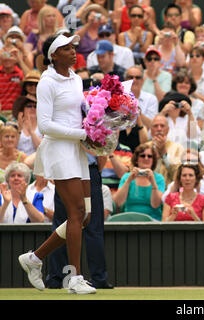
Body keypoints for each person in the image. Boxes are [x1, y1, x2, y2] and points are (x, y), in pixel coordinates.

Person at [18, 34, 97, 294]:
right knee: (75, 213)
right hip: (59, 150)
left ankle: (34, 259)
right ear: (53, 55)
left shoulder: (76, 78)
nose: (73, 51)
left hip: (77, 150)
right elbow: (45, 125)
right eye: (65, 48)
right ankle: (74, 279)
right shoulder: (46, 81)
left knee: (84, 216)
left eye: (73, 47)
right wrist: (82, 134)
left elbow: (80, 112)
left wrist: (99, 121)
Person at [45, 153, 113, 290]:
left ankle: (55, 278)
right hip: (83, 169)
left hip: (65, 169)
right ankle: (98, 279)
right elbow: (101, 153)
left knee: (63, 223)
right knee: (92, 226)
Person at [112, 143, 165, 221]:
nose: (146, 158)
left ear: (153, 160)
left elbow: (156, 205)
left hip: (152, 220)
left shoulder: (158, 178)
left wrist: (153, 182)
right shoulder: (127, 177)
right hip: (130, 220)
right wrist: (128, 181)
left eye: (150, 156)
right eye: (142, 156)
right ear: (136, 160)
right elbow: (118, 202)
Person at [146, 114, 185, 186]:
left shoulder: (178, 147)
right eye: (155, 126)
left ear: (167, 130)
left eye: (162, 126)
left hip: (169, 190)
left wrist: (164, 153)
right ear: (151, 130)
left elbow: (178, 174)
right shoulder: (144, 147)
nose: (159, 129)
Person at [125, 65, 158, 130]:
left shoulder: (151, 99)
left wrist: (137, 112)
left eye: (137, 77)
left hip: (144, 137)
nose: (134, 80)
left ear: (142, 80)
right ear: (126, 79)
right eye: (130, 77)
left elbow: (152, 125)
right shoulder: (117, 98)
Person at [0, 44, 26, 113]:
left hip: (14, 112)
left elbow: (31, 78)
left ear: (16, 59)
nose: (7, 58)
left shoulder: (20, 74)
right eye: (5, 55)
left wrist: (20, 59)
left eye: (11, 55)